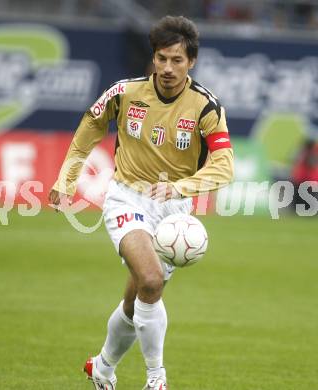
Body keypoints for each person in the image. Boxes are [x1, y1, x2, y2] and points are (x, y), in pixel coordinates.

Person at [48, 15, 234, 390]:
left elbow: (225, 166)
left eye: (177, 60)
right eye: (161, 58)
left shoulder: (205, 107)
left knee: (137, 302)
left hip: (173, 209)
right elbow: (89, 128)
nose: (167, 68)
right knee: (150, 280)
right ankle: (156, 380)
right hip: (126, 197)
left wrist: (183, 189)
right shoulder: (125, 93)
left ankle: (101, 367)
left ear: (191, 62)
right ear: (153, 57)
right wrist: (66, 179)